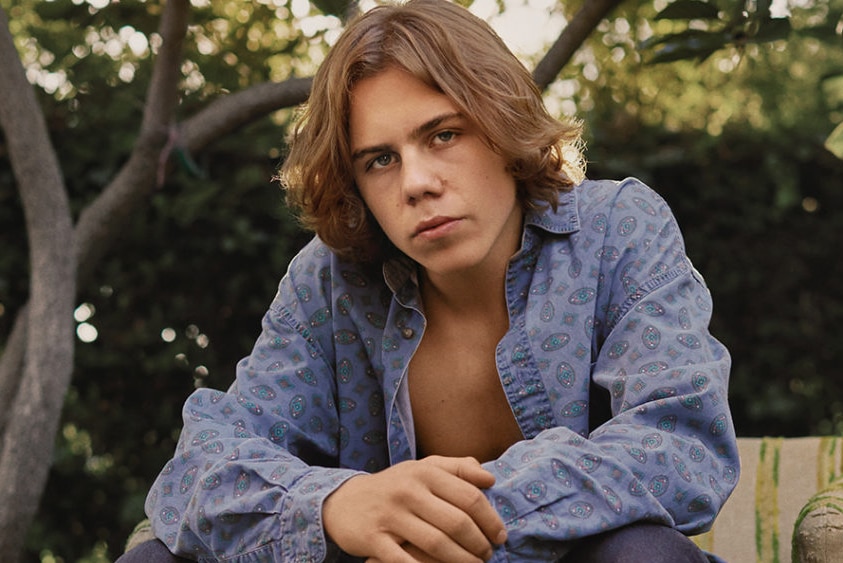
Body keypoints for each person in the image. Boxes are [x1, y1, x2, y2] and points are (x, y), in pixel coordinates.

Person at [121, 0, 739, 561]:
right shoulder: (332, 280)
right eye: (380, 159)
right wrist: (336, 506)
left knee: (641, 553)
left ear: (500, 128)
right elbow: (197, 471)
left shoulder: (615, 230)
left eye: (443, 135)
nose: (416, 182)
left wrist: (444, 523)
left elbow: (679, 445)